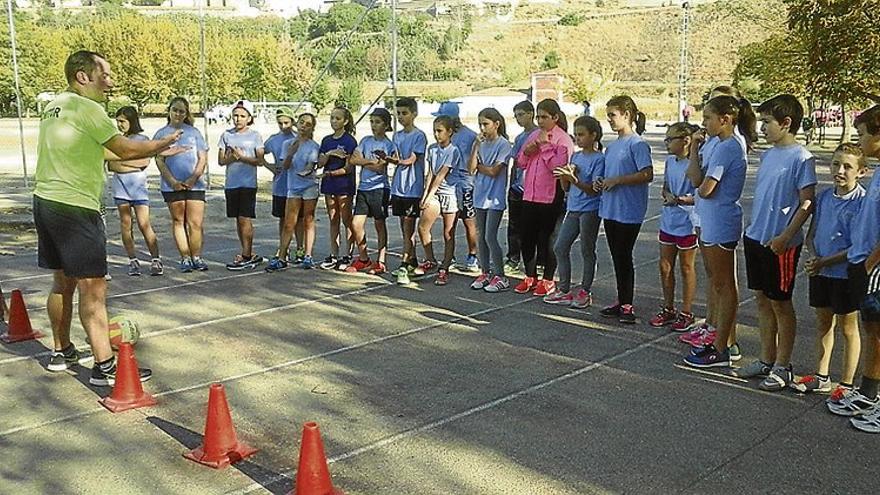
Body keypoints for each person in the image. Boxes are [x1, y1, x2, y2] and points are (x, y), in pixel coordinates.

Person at [36, 50, 180, 383]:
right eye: (106, 74)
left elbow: (104, 155)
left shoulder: (54, 107)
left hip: (46, 202)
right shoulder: (89, 108)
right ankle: (105, 367)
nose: (111, 82)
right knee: (93, 289)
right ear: (83, 76)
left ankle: (62, 350)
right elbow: (125, 148)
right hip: (75, 208)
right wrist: (161, 143)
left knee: (62, 282)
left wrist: (146, 155)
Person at [734, 94, 816, 391]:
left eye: (767, 122)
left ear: (786, 123)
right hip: (757, 237)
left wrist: (784, 236)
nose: (763, 127)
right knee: (761, 299)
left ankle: (783, 365)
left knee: (780, 303)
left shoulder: (801, 158)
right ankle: (766, 359)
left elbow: (807, 202)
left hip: (780, 244)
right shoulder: (768, 155)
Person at [679, 85, 753, 359]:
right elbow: (696, 178)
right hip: (709, 218)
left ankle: (723, 346)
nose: (704, 124)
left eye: (708, 118)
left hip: (721, 219)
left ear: (725, 119)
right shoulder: (716, 145)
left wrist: (695, 188)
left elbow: (705, 188)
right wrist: (696, 146)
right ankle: (723, 338)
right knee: (717, 281)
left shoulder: (729, 147)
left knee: (725, 285)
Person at [794, 143, 866, 396]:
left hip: (845, 274)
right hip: (821, 271)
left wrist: (825, 262)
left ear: (861, 172)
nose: (840, 170)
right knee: (823, 324)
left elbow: (858, 245)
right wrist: (814, 257)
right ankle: (821, 375)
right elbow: (812, 234)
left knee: (848, 327)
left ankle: (846, 383)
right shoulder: (824, 197)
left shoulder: (862, 202)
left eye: (848, 166)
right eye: (836, 164)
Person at [828, 105, 880, 433]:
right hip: (862, 261)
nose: (859, 140)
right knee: (873, 333)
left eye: (863, 134)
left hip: (874, 265)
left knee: (879, 334)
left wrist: (873, 260)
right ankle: (869, 393)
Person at [595, 95, 653, 324]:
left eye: (613, 115)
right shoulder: (612, 147)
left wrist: (618, 180)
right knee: (617, 256)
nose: (609, 119)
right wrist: (603, 181)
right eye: (608, 115)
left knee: (624, 255)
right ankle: (621, 299)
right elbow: (610, 175)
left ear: (627, 115)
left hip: (629, 209)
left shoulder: (637, 144)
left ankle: (627, 303)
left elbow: (647, 174)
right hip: (610, 208)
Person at [514, 99, 574, 297]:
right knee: (526, 237)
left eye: (544, 117)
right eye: (538, 116)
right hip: (530, 195)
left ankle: (548, 279)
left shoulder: (563, 139)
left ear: (555, 118)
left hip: (550, 196)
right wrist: (528, 151)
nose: (540, 121)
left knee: (548, 239)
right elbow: (521, 162)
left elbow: (558, 167)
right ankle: (530, 276)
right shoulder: (533, 135)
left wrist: (546, 146)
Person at [544, 115, 604, 308]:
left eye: (582, 135)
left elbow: (594, 190)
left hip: (590, 210)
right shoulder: (576, 156)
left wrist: (575, 178)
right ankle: (564, 288)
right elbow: (567, 188)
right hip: (573, 207)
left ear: (593, 136)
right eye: (576, 135)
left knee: (587, 249)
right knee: (560, 246)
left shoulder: (599, 159)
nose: (578, 139)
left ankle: (585, 290)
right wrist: (565, 176)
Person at [649, 122, 700, 330]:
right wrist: (668, 195)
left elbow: (700, 193)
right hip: (669, 220)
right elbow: (665, 188)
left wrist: (680, 199)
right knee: (665, 266)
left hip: (687, 222)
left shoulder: (695, 163)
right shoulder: (670, 162)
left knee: (686, 267)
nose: (667, 143)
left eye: (671, 139)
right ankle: (668, 308)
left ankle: (687, 311)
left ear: (686, 140)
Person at [154, 97, 209, 272]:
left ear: (186, 114)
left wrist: (193, 178)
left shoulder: (194, 133)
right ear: (169, 111)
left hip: (195, 185)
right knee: (179, 220)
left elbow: (202, 158)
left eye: (182, 111)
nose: (178, 114)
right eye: (175, 110)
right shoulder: (162, 133)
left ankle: (196, 257)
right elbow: (159, 160)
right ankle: (185, 257)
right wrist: (172, 181)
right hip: (172, 185)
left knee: (195, 223)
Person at [107, 106, 162, 277]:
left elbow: (143, 162)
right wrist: (128, 163)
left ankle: (155, 259)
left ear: (132, 121)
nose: (120, 125)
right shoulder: (117, 141)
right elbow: (111, 165)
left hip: (138, 190)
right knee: (126, 224)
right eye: (117, 121)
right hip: (120, 190)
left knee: (144, 224)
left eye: (122, 121)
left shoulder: (141, 139)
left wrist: (124, 163)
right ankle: (133, 260)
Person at [266, 114, 321, 271]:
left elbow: (311, 166)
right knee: (289, 222)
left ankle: (307, 255)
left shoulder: (313, 146)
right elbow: (285, 166)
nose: (304, 126)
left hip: (309, 185)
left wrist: (308, 171)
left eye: (308, 124)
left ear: (312, 128)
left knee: (308, 219)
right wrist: (290, 153)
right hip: (293, 187)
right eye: (302, 123)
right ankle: (282, 256)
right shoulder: (288, 143)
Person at [346, 107, 396, 275]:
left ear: (386, 124)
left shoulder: (388, 144)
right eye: (372, 122)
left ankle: (381, 261)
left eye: (378, 122)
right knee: (355, 224)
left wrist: (364, 161)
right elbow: (353, 159)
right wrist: (368, 161)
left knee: (379, 224)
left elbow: (380, 168)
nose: (374, 125)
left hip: (379, 188)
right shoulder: (366, 140)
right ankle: (363, 257)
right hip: (363, 188)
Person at [433, 101, 480, 272]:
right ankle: (449, 256)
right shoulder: (445, 136)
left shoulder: (470, 135)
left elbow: (475, 160)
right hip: (449, 182)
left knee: (469, 221)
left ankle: (472, 255)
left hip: (465, 182)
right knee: (449, 223)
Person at [468, 108, 512, 293]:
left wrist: (480, 167)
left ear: (496, 124)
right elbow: (470, 168)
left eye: (485, 124)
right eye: (480, 124)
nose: (482, 128)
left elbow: (495, 171)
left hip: (494, 198)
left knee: (490, 236)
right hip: (479, 195)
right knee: (480, 236)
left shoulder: (504, 145)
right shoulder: (481, 144)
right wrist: (476, 147)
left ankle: (500, 275)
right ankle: (485, 271)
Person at [219, 99, 264, 271]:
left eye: (242, 116)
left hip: (247, 183)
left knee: (245, 218)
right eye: (236, 115)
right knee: (238, 220)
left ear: (249, 118)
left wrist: (242, 157)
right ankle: (246, 251)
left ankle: (247, 254)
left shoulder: (255, 136)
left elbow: (259, 160)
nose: (238, 119)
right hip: (232, 183)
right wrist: (232, 157)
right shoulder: (226, 135)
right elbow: (221, 160)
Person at [415, 116, 461, 285]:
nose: (436, 134)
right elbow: (431, 173)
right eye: (434, 130)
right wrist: (425, 194)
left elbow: (442, 174)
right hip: (434, 192)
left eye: (440, 131)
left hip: (449, 193)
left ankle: (445, 267)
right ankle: (430, 259)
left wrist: (429, 194)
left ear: (449, 132)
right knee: (423, 227)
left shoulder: (453, 150)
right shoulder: (432, 149)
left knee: (448, 232)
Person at [390, 98, 428, 285]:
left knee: (408, 227)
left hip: (413, 187)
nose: (401, 117)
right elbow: (396, 156)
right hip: (398, 186)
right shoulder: (396, 136)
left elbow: (411, 159)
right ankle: (412, 260)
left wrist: (397, 161)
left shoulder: (419, 135)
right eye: (398, 113)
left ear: (414, 114)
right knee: (403, 226)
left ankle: (404, 264)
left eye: (404, 113)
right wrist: (388, 158)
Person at [318, 107, 358, 270]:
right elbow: (320, 162)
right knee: (333, 218)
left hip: (343, 184)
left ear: (345, 121)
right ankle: (333, 253)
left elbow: (349, 168)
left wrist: (332, 172)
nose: (334, 121)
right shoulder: (327, 140)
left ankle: (347, 253)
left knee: (346, 218)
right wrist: (330, 154)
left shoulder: (350, 141)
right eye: (332, 118)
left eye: (338, 118)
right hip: (329, 184)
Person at [262, 106, 298, 261]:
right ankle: (284, 247)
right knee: (283, 218)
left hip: (296, 184)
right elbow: (259, 153)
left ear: (292, 121)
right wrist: (269, 166)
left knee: (299, 219)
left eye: (286, 122)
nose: (283, 126)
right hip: (280, 185)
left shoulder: (299, 137)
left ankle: (301, 248)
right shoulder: (273, 140)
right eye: (280, 123)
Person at [506, 101, 538, 273]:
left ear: (530, 113)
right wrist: (512, 184)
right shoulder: (519, 138)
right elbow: (515, 163)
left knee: (530, 228)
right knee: (514, 225)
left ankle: (534, 262)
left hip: (532, 189)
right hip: (517, 188)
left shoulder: (538, 135)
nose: (518, 119)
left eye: (521, 114)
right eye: (516, 115)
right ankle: (513, 257)